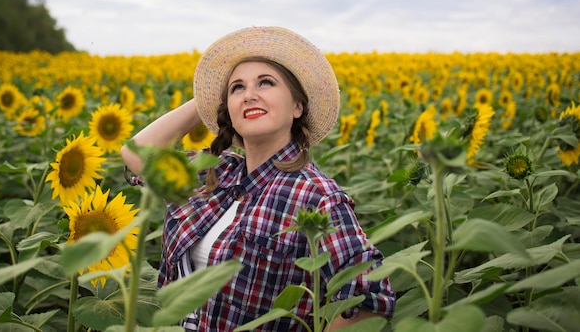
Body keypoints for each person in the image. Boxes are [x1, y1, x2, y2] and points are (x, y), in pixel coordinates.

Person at [121, 26, 395, 331]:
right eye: (237, 88)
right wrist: (208, 98)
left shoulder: (316, 195)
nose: (250, 94)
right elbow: (136, 155)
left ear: (297, 106)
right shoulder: (214, 172)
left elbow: (370, 301)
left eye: (266, 83)